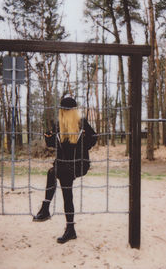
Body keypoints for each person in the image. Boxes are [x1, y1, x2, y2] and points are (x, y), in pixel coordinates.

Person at [33, 97, 97, 244]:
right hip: (63, 165)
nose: (62, 112)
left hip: (79, 164)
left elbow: (93, 140)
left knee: (63, 176)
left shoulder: (82, 123)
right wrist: (47, 137)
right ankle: (47, 210)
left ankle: (68, 227)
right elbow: (52, 144)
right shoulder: (58, 125)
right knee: (53, 172)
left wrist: (84, 141)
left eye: (64, 110)